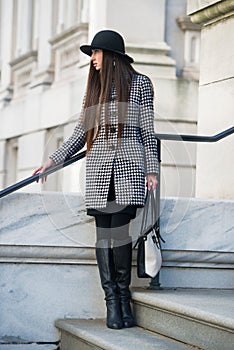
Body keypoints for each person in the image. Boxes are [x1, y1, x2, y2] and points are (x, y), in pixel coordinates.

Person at [33, 30, 159, 330]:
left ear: (110, 55)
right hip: (100, 171)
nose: (92, 59)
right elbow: (80, 134)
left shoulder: (141, 84)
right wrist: (53, 160)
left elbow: (147, 130)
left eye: (95, 53)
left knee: (121, 236)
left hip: (129, 169)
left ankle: (123, 297)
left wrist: (151, 169)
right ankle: (112, 303)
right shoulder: (95, 89)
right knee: (104, 237)